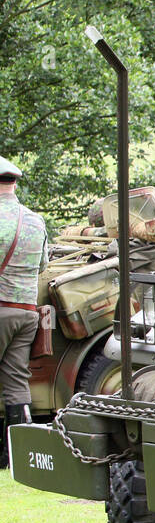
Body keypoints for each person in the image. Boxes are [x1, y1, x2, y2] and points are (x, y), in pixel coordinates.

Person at [0, 155, 48, 469]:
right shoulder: (35, 220)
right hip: (27, 313)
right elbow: (43, 265)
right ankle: (14, 456)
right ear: (14, 184)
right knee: (16, 381)